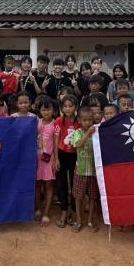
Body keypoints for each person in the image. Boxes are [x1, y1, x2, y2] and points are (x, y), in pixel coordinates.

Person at [72, 106, 99, 233]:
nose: (87, 122)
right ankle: (78, 219)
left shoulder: (96, 132)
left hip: (94, 171)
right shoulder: (77, 132)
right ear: (79, 120)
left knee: (93, 197)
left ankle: (90, 220)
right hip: (80, 171)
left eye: (90, 120)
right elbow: (77, 144)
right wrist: (88, 133)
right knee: (78, 196)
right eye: (85, 120)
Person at [55, 95, 80, 228]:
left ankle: (75, 212)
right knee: (61, 184)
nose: (68, 108)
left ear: (76, 107)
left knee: (75, 184)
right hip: (62, 154)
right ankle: (64, 211)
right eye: (65, 106)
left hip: (75, 155)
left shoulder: (79, 121)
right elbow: (56, 139)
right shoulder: (59, 121)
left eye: (70, 106)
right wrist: (56, 159)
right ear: (62, 108)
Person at [34, 96, 59, 226]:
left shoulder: (55, 125)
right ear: (40, 111)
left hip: (49, 160)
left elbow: (55, 144)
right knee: (37, 185)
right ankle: (38, 209)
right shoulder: (36, 122)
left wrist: (56, 160)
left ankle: (46, 213)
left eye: (49, 110)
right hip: (37, 159)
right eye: (44, 110)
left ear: (54, 111)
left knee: (49, 185)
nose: (46, 112)